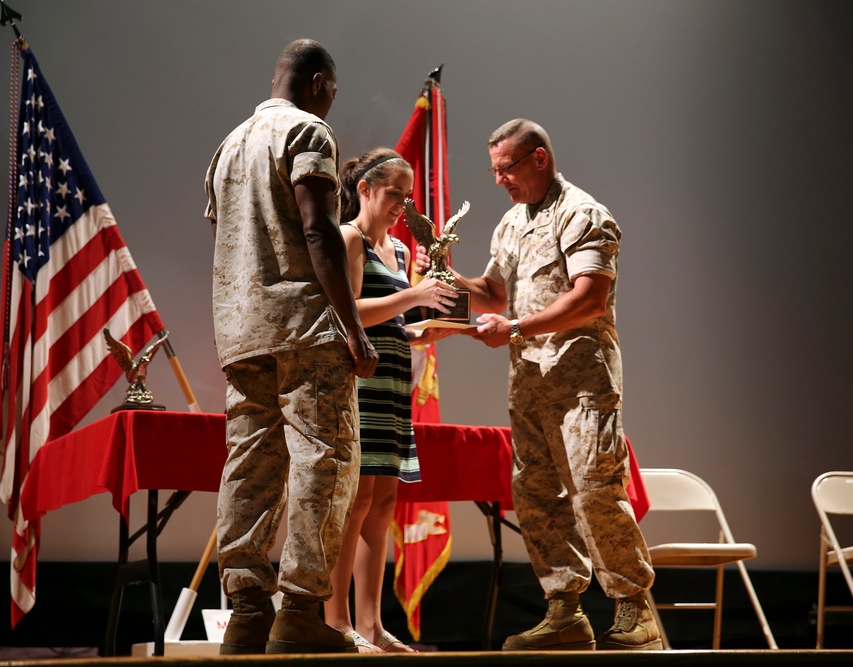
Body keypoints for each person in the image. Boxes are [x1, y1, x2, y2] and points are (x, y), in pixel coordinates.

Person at [420, 119, 661, 651]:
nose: (500, 179)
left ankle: (633, 610)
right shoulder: (511, 223)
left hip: (580, 382)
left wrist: (517, 327)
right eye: (494, 171)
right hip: (529, 381)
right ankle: (565, 612)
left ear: (539, 159)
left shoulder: (583, 213)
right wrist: (446, 277)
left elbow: (589, 299)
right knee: (536, 494)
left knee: (595, 490)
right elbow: (491, 292)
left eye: (507, 168)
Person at [203, 39, 378, 655]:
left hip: (242, 333)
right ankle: (301, 611)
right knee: (326, 462)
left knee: (249, 468)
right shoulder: (309, 133)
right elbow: (317, 227)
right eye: (332, 92)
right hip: (304, 328)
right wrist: (353, 326)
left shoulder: (228, 146)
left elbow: (230, 236)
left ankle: (248, 611)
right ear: (319, 83)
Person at [323, 147, 461, 653]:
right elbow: (351, 311)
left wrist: (427, 330)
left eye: (407, 196)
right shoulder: (348, 238)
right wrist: (413, 298)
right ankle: (336, 621)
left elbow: (396, 325)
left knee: (383, 505)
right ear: (364, 189)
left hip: (394, 385)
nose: (403, 205)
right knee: (355, 502)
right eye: (394, 194)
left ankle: (372, 622)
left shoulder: (401, 252)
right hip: (360, 384)